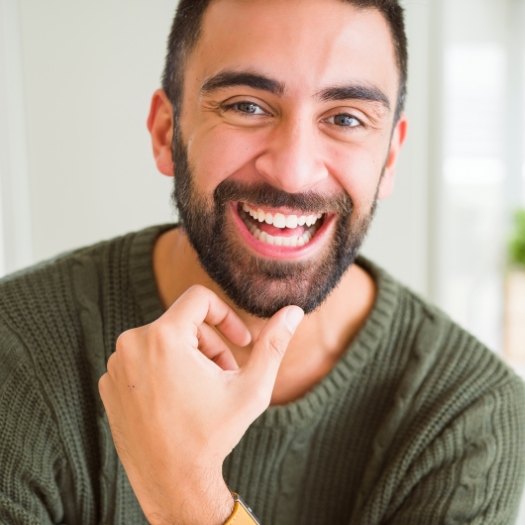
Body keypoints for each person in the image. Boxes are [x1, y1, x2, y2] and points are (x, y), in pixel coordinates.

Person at [1, 0, 524, 523]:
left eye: (345, 118)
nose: (293, 172)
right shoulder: (14, 347)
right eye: (246, 106)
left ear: (388, 157)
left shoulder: (472, 416)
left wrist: (183, 488)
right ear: (166, 132)